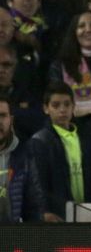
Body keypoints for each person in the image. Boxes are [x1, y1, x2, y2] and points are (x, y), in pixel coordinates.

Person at [28, 83, 91, 218]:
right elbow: (38, 183)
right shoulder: (40, 141)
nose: (62, 110)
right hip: (58, 211)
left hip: (87, 208)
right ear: (46, 108)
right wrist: (44, 210)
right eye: (56, 105)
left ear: (73, 107)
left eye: (67, 104)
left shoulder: (85, 137)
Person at [0, 93, 54, 222]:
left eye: (2, 115)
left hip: (11, 237)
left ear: (11, 120)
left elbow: (33, 206)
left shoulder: (23, 157)